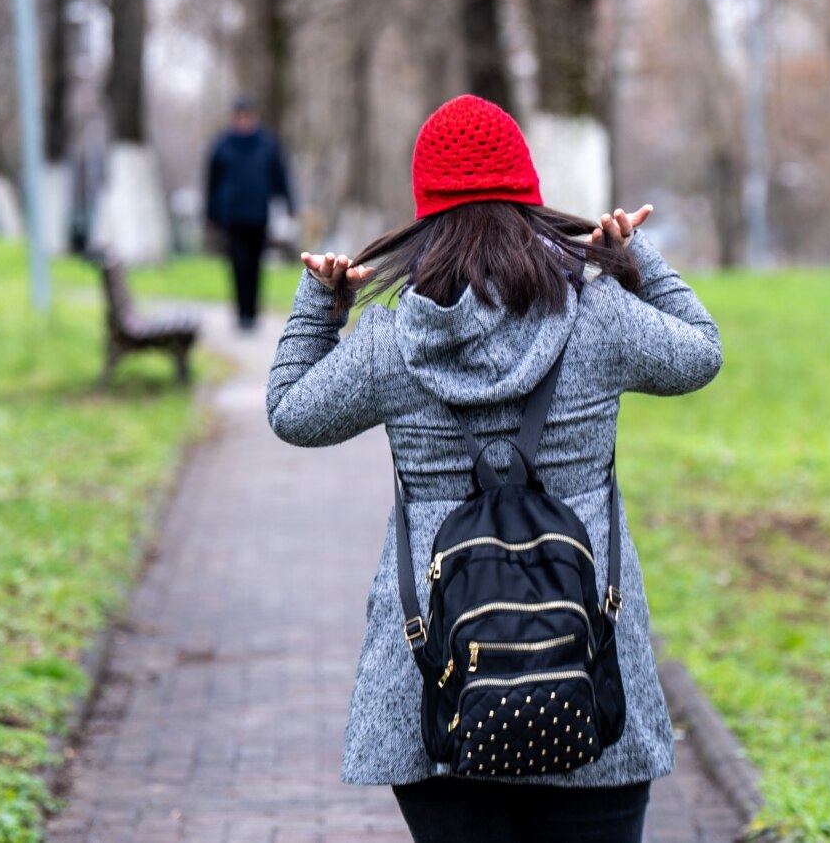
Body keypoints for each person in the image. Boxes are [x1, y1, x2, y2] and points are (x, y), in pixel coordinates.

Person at [265, 94, 722, 841]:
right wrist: (636, 260)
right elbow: (699, 352)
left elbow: (291, 411)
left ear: (425, 213)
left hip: (435, 681)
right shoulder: (597, 315)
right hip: (589, 661)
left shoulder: (388, 342)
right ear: (530, 198)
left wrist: (321, 305)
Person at [205, 94, 295, 332]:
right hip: (233, 216)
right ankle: (241, 312)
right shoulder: (223, 144)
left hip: (258, 215)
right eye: (239, 116)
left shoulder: (267, 143)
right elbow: (212, 182)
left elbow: (279, 176)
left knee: (255, 264)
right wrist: (211, 214)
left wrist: (288, 204)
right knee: (237, 264)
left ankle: (252, 313)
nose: (243, 120)